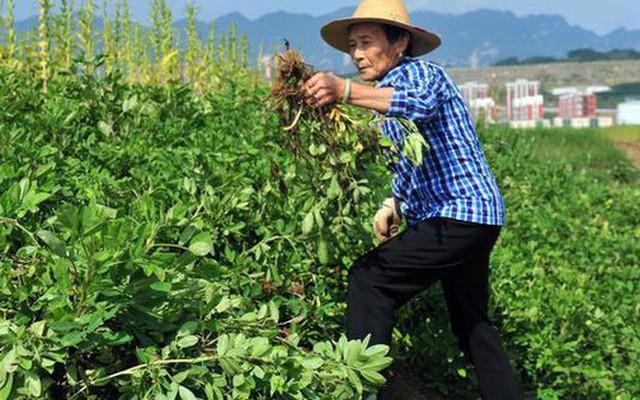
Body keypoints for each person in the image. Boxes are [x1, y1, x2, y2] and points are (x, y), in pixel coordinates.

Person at [303, 0, 524, 398]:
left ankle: (363, 388)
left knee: (370, 279)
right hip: (472, 218)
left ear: (400, 42)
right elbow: (412, 162)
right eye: (352, 45)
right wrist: (395, 203)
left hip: (459, 213)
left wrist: (343, 89)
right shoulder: (383, 100)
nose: (356, 54)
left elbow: (416, 105)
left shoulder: (422, 75)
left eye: (366, 42)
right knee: (472, 323)